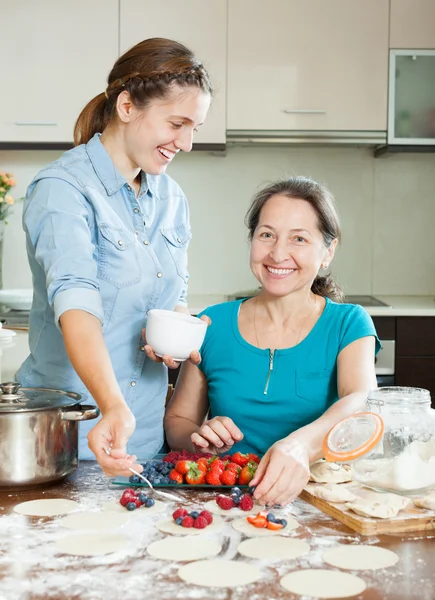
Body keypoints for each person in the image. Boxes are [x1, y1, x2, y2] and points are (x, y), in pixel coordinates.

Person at [17, 38, 212, 477]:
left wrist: (176, 335)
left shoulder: (171, 197)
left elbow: (172, 294)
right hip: (75, 436)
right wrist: (111, 407)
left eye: (195, 128)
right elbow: (76, 302)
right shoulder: (62, 189)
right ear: (127, 107)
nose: (187, 142)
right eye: (177, 123)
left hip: (144, 438)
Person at [164, 176, 380, 507]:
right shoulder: (213, 322)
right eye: (267, 235)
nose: (278, 253)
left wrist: (299, 446)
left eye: (299, 239)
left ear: (328, 251)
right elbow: (179, 421)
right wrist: (200, 441)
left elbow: (361, 400)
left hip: (317, 501)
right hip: (227, 501)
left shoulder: (348, 322)